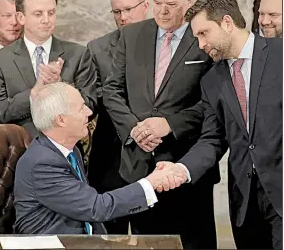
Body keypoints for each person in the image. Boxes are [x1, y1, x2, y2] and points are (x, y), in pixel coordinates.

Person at [102, 0, 218, 249]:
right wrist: (134, 129)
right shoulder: (131, 34)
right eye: (158, 3)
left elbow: (214, 102)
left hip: (187, 167)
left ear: (189, 2)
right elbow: (112, 90)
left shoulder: (203, 37)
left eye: (172, 4)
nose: (163, 11)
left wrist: (169, 124)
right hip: (137, 166)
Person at [157, 0, 282, 250]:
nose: (200, 44)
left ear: (227, 22)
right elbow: (213, 139)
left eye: (204, 33)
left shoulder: (280, 55)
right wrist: (182, 169)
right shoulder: (211, 80)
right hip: (246, 206)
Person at [13, 82, 186, 234]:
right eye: (81, 108)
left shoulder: (69, 150)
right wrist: (152, 182)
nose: (89, 112)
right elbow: (96, 208)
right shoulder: (42, 163)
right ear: (61, 120)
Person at [0, 0, 97, 139]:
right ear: (21, 17)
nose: (46, 20)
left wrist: (60, 86)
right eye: (38, 14)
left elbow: (90, 106)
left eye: (51, 13)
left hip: (65, 150)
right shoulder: (1, 59)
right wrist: (33, 95)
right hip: (19, 152)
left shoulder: (78, 54)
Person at [87, 0, 149, 234]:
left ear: (145, 7)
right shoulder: (97, 48)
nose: (123, 17)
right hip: (110, 150)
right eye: (116, 12)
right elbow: (94, 93)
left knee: (152, 230)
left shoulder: (162, 42)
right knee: (110, 233)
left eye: (128, 9)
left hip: (151, 150)